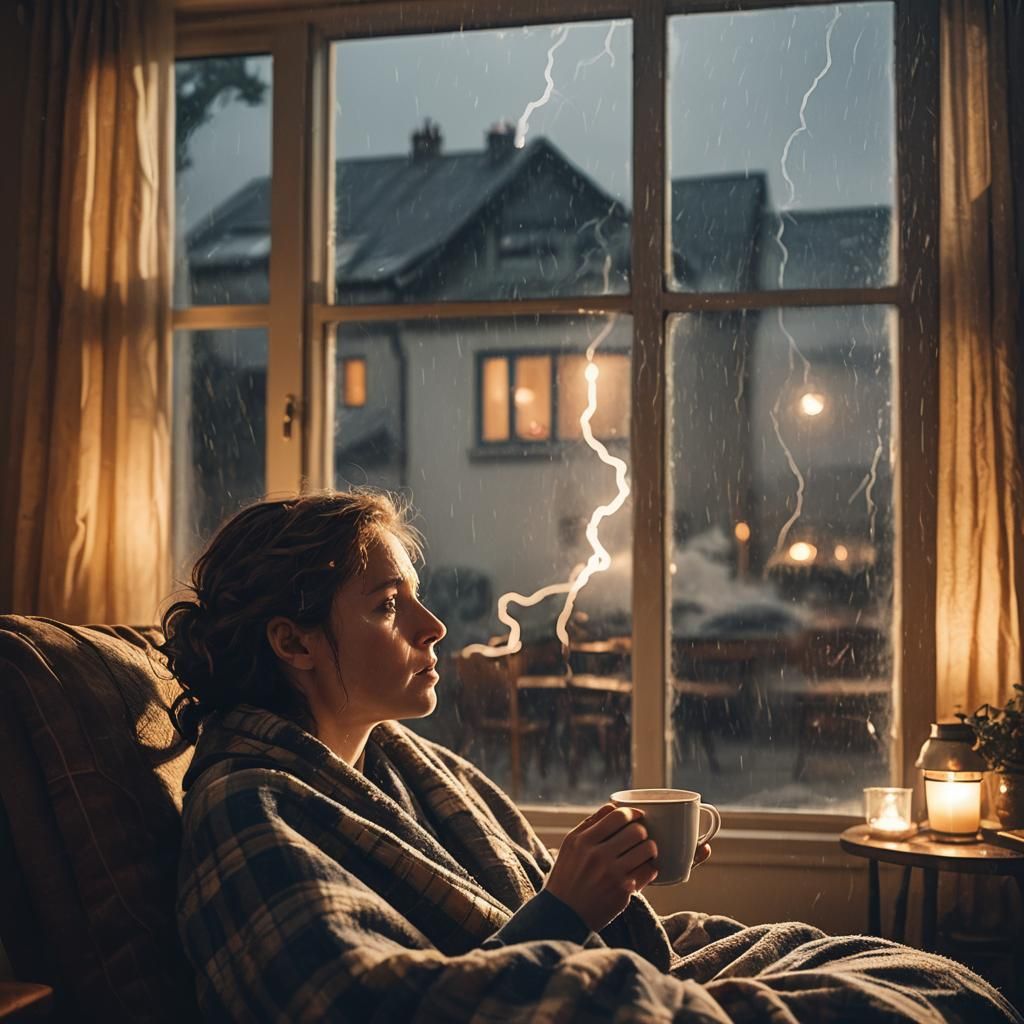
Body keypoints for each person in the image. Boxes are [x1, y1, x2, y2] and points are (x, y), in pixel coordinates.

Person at [166, 490, 1021, 1023]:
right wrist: (566, 910)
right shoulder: (251, 809)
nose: (433, 628)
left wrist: (604, 886)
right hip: (536, 985)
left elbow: (513, 918)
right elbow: (352, 1002)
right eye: (391, 606)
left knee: (915, 978)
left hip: (561, 960)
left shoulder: (408, 769)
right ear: (293, 640)